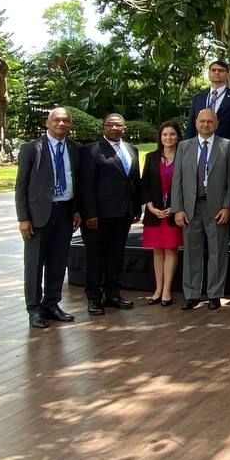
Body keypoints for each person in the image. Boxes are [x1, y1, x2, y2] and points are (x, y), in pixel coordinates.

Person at [15, 107, 81, 328]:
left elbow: (77, 182)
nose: (61, 123)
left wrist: (77, 209)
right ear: (47, 123)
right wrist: (23, 218)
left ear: (70, 125)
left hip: (64, 212)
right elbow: (21, 186)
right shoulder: (32, 148)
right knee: (34, 264)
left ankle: (52, 303)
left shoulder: (74, 149)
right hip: (38, 215)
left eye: (66, 120)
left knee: (57, 262)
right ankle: (34, 309)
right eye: (57, 120)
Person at [78, 113, 141, 315]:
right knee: (95, 257)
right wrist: (89, 213)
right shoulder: (90, 151)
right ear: (103, 127)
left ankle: (112, 294)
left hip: (124, 213)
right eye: (110, 125)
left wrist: (136, 208)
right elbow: (85, 185)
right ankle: (94, 298)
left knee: (116, 256)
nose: (114, 128)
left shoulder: (132, 149)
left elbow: (134, 181)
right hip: (98, 215)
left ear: (125, 128)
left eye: (118, 125)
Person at [172, 108, 230, 311]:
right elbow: (177, 180)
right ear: (196, 123)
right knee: (191, 251)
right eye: (202, 121)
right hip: (191, 207)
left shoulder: (227, 145)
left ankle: (215, 294)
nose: (205, 125)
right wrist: (178, 209)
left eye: (210, 121)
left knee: (218, 251)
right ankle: (191, 294)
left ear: (216, 124)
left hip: (216, 207)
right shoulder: (184, 146)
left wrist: (227, 206)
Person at [140, 121, 183, 305]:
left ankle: (167, 290)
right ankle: (157, 289)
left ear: (178, 137)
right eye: (165, 134)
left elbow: (186, 184)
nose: (168, 138)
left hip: (173, 212)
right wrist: (149, 206)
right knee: (157, 251)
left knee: (170, 250)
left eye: (172, 134)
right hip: (155, 212)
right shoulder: (151, 157)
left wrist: (175, 206)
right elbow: (145, 184)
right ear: (160, 137)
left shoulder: (184, 156)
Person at [186, 59, 230, 141]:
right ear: (209, 73)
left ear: (228, 74)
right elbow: (191, 126)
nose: (216, 72)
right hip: (200, 147)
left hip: (227, 148)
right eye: (213, 70)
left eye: (221, 70)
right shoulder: (198, 97)